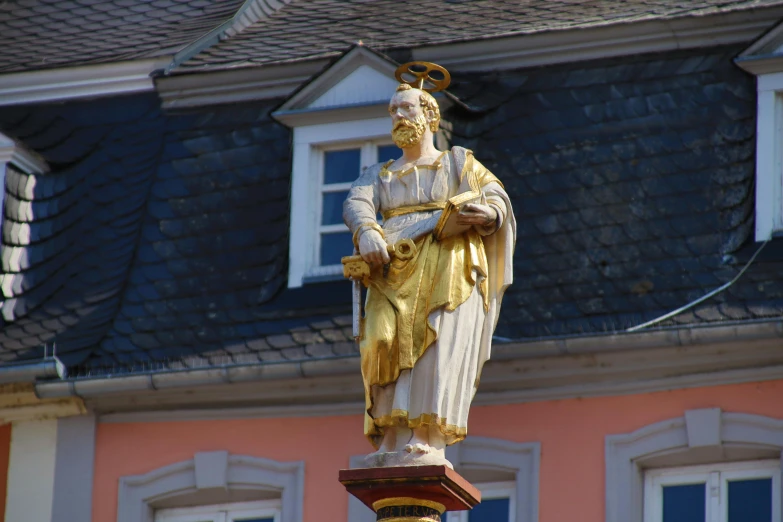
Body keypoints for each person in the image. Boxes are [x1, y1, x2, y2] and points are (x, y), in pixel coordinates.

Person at [343, 80, 516, 467]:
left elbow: (495, 196)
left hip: (447, 265)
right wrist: (367, 230)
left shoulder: (457, 163)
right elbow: (357, 203)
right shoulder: (379, 173)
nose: (398, 117)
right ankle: (390, 436)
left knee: (436, 352)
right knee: (378, 344)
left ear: (430, 116)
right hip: (390, 270)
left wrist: (489, 214)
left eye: (406, 108)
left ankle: (425, 437)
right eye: (393, 111)